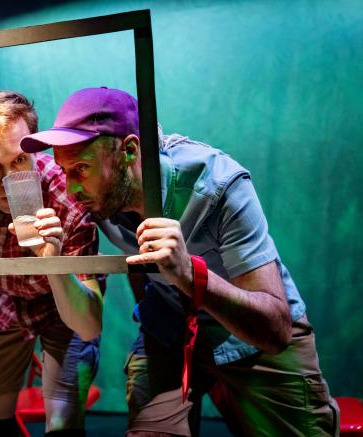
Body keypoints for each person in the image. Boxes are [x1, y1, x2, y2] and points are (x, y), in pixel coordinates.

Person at [20, 87, 339, 436]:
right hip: (171, 326)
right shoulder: (100, 198)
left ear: (129, 150)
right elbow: (137, 264)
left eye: (80, 168)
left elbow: (276, 330)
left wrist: (189, 274)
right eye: (65, 171)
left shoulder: (219, 185)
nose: (72, 189)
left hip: (252, 332)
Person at [0, 90, 104, 436]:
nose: (7, 181)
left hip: (62, 296)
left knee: (61, 420)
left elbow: (89, 325)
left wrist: (53, 261)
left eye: (19, 161)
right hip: (1, 292)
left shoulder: (67, 201)